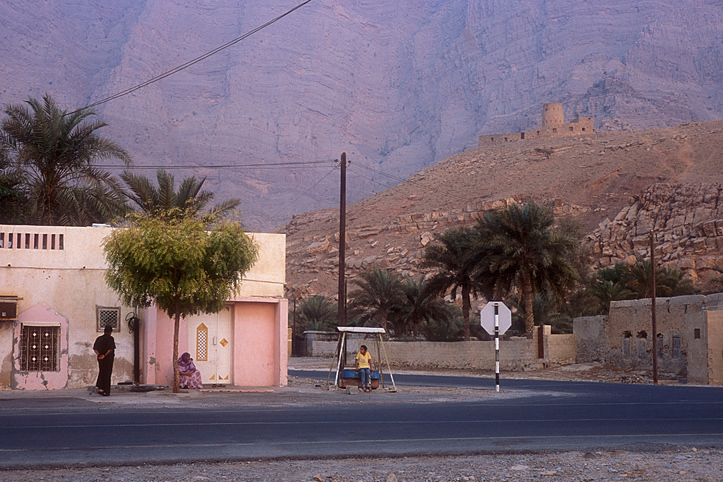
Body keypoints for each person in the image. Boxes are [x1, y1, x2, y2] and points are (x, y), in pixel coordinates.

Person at [93, 325, 115, 396]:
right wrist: (105, 355)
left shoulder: (99, 339)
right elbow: (110, 349)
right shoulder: (110, 339)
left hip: (100, 358)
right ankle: (106, 391)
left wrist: (99, 355)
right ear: (110, 332)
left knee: (102, 371)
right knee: (107, 373)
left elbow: (95, 349)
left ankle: (101, 388)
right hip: (108, 359)